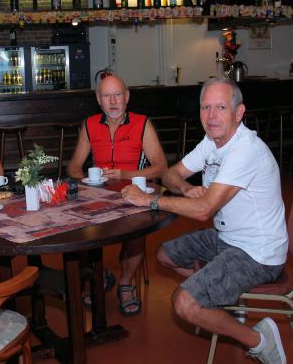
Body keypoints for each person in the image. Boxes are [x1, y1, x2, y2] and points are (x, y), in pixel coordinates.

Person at [122, 77, 287, 364]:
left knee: (185, 303)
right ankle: (219, 300)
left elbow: (203, 211)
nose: (210, 116)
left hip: (258, 253)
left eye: (220, 107)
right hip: (227, 238)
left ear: (239, 113)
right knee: (164, 255)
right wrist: (186, 188)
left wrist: (149, 200)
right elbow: (170, 174)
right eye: (205, 107)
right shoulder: (212, 141)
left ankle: (260, 341)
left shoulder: (245, 149)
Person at [66, 75, 167, 316]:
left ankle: (125, 283)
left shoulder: (142, 123)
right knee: (78, 231)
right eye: (106, 96)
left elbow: (161, 166)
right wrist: (86, 182)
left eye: (117, 95)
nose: (112, 101)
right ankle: (98, 275)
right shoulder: (90, 125)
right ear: (98, 100)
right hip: (98, 196)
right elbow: (74, 167)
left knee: (136, 232)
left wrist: (125, 174)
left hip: (134, 193)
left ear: (127, 97)